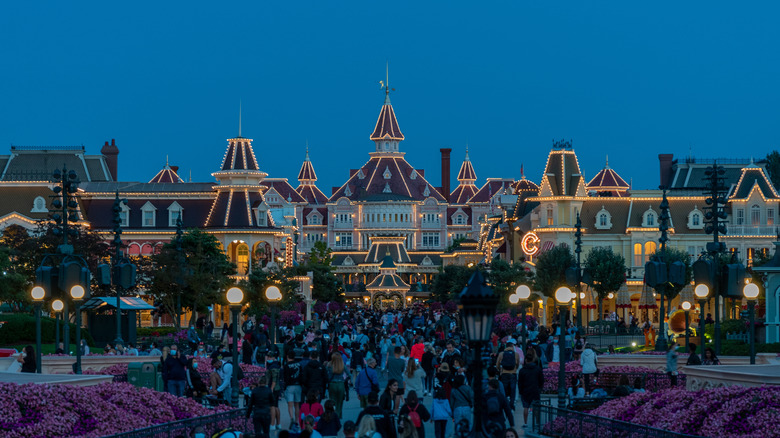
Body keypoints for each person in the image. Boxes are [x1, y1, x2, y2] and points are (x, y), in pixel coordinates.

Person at [517, 352, 543, 428]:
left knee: (526, 407)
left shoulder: (522, 370)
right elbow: (541, 380)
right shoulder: (537, 369)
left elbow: (520, 382)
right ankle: (537, 422)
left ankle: (525, 423)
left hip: (525, 391)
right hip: (535, 391)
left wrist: (520, 391)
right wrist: (539, 389)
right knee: (536, 407)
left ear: (526, 360)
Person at [283, 349, 304, 432]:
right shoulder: (299, 365)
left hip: (290, 386)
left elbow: (285, 377)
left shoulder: (286, 365)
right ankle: (296, 421)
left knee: (290, 405)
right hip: (298, 385)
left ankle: (291, 418)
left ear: (288, 357)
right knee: (297, 405)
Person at [496, 340, 519, 408]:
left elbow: (497, 364)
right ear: (512, 346)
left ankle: (504, 404)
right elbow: (517, 364)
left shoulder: (501, 354)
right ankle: (511, 404)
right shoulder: (516, 354)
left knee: (504, 390)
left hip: (504, 373)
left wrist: (500, 370)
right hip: (513, 373)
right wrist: (515, 369)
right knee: (513, 390)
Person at [265, 351, 282, 430]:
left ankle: (272, 424)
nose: (268, 358)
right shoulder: (275, 365)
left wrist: (271, 389)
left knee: (272, 407)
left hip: (273, 389)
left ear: (273, 358)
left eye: (270, 357)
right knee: (276, 406)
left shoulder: (273, 366)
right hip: (276, 389)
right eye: (268, 357)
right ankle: (278, 424)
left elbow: (274, 380)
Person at [327, 352, 347, 417]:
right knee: (340, 401)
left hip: (332, 384)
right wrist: (344, 380)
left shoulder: (329, 365)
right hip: (341, 383)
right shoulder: (342, 365)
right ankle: (338, 414)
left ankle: (333, 414)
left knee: (332, 401)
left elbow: (328, 376)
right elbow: (349, 374)